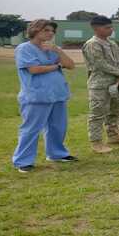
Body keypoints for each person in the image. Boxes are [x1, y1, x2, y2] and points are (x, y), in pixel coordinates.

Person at [12, 20, 77, 173]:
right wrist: (57, 66)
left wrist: (58, 51)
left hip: (57, 94)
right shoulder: (24, 48)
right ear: (35, 30)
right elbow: (34, 69)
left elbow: (71, 65)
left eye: (52, 31)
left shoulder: (52, 49)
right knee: (31, 129)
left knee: (58, 127)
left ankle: (57, 153)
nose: (50, 33)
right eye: (46, 30)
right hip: (37, 95)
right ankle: (23, 161)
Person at [82, 16, 119, 153]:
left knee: (114, 110)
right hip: (99, 84)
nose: (111, 30)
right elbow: (100, 64)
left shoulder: (112, 44)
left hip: (116, 83)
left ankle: (113, 135)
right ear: (96, 28)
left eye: (111, 27)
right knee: (97, 113)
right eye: (107, 27)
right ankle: (96, 142)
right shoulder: (92, 44)